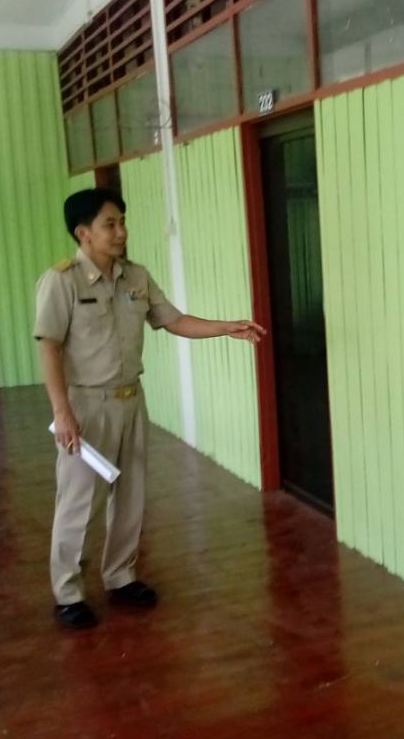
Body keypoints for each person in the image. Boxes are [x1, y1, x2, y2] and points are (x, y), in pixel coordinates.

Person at [34, 187, 265, 630]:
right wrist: (61, 412)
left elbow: (173, 320)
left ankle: (120, 577)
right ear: (83, 233)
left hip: (131, 400)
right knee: (80, 500)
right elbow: (49, 347)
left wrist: (225, 327)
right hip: (86, 405)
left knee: (131, 495)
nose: (121, 231)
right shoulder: (61, 281)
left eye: (122, 222)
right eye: (110, 224)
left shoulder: (135, 277)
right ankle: (68, 592)